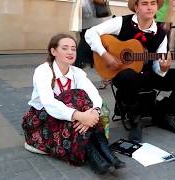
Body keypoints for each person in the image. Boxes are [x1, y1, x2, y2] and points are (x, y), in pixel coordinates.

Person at [85, 0, 175, 143]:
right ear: (136, 7)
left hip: (148, 75)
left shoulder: (161, 34)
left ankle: (164, 115)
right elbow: (90, 33)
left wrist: (163, 68)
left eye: (153, 3)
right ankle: (135, 120)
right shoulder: (121, 22)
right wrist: (105, 55)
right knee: (128, 76)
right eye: (144, 3)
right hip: (122, 74)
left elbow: (158, 68)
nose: (149, 7)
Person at [21, 33, 125, 174]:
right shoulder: (43, 71)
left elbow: (94, 94)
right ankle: (94, 153)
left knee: (83, 98)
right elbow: (49, 102)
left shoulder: (77, 72)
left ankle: (103, 151)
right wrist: (80, 116)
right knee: (76, 96)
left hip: (69, 118)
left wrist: (94, 112)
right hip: (42, 119)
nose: (70, 52)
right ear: (53, 51)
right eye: (65, 48)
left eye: (73, 48)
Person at [72, 0, 112, 89]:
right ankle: (106, 78)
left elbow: (88, 13)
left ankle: (73, 81)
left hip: (92, 28)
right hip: (85, 27)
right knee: (93, 56)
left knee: (80, 55)